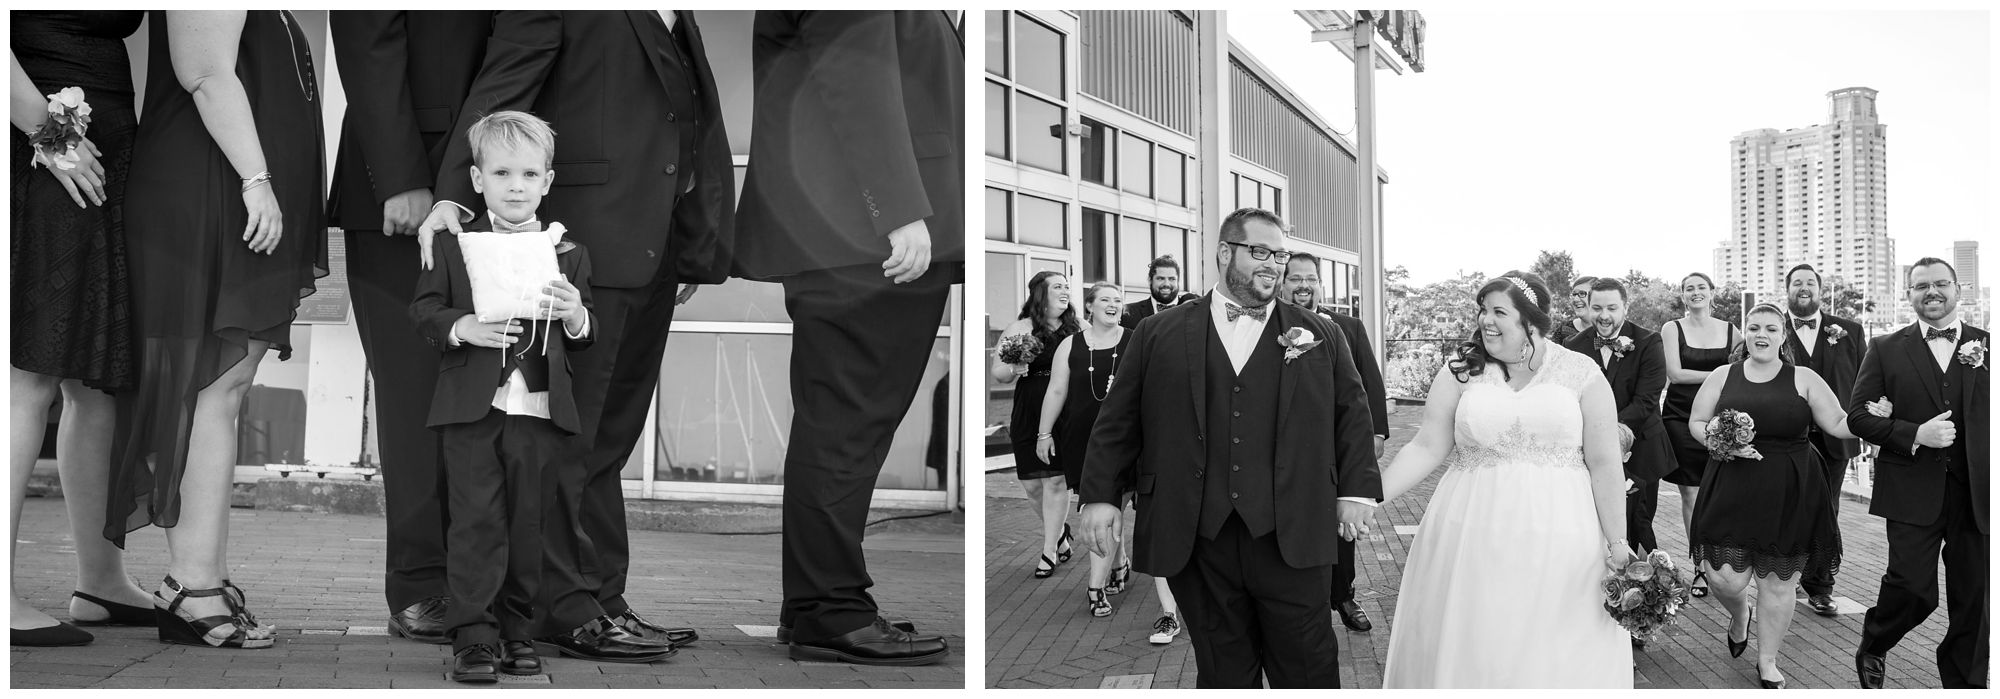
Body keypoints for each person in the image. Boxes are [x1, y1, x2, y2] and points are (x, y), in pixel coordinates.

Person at [419, 10, 731, 659]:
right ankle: (564, 607)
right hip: (583, 241)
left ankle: (601, 596)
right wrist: (455, 198)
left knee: (609, 439)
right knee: (570, 439)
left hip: (654, 250)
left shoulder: (679, 15)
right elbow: (500, 90)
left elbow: (686, 126)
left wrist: (692, 241)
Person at [736, 11, 960, 666]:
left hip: (850, 236)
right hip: (862, 237)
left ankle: (813, 603)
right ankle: (829, 608)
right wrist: (896, 209)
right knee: (846, 420)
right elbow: (852, 73)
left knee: (842, 420)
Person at [1080, 207, 1380, 688]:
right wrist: (1099, 495)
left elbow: (1353, 413)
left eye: (1279, 255)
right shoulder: (1158, 333)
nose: (1274, 264)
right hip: (1198, 536)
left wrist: (1357, 491)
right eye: (1260, 251)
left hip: (1294, 533)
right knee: (1222, 669)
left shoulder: (1321, 334)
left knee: (1307, 665)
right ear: (1224, 252)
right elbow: (1118, 419)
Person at [108, 9, 327, 649]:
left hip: (234, 185)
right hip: (213, 185)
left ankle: (204, 575)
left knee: (224, 387)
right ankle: (191, 583)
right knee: (212, 387)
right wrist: (257, 180)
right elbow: (205, 72)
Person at [410, 111, 602, 681]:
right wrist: (461, 326)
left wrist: (576, 315)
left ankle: (518, 631)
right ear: (477, 179)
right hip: (473, 409)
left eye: (527, 174)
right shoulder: (453, 246)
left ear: (546, 181)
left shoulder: (570, 252)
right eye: (501, 173)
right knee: (474, 524)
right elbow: (423, 311)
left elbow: (589, 336)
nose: (515, 185)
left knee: (528, 524)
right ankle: (473, 637)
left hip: (539, 411)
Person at [1379, 271, 1634, 688]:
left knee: (1553, 639)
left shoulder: (1580, 372)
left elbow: (1605, 464)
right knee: (1477, 636)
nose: (1485, 320)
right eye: (1483, 310)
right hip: (1471, 530)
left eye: (1499, 311)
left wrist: (1618, 543)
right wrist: (1372, 498)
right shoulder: (1461, 369)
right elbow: (1426, 446)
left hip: (1562, 533)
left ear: (1530, 321)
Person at [327, 9, 494, 645]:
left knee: (489, 403)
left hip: (503, 189)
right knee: (415, 398)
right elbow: (367, 40)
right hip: (407, 188)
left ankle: (484, 581)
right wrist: (401, 175)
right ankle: (421, 583)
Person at [9, 10, 154, 647]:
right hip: (40, 144)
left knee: (95, 380)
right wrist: (49, 134)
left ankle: (101, 580)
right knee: (26, 375)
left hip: (104, 150)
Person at [1687, 303, 1859, 689]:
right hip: (1730, 484)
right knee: (1725, 579)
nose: (1760, 334)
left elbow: (1837, 423)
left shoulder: (1804, 378)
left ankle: (1767, 660)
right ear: (1745, 334)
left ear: (1784, 337)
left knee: (1778, 582)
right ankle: (1739, 615)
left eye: (1770, 328)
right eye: (1753, 328)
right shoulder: (1722, 375)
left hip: (1790, 488)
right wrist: (1718, 441)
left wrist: (1876, 417)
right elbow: (1696, 422)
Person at [1849, 257, 1988, 689]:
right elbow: (1858, 417)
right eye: (1921, 285)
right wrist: (1915, 433)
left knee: (1975, 602)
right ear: (1908, 294)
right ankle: (1875, 642)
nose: (1932, 292)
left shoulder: (1990, 344)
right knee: (1912, 588)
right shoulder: (1886, 348)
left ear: (1957, 289)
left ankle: (1964, 684)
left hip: (1979, 494)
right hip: (1911, 489)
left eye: (1940, 284)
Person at [1281, 252, 1386, 632]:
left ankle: (1343, 595)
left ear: (1320, 284)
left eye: (1310, 278)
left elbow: (1368, 384)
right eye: (1294, 278)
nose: (1303, 285)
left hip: (1336, 444)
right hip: (1286, 449)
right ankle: (1301, 601)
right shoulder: (1264, 327)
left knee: (1343, 524)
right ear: (1282, 282)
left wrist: (1374, 434)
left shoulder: (1347, 326)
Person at [1035, 282, 1135, 620]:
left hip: (1128, 440)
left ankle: (1096, 586)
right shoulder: (1070, 345)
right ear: (1089, 306)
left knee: (1107, 507)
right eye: (1105, 299)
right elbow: (1056, 390)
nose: (1113, 305)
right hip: (1083, 442)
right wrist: (1044, 433)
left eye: (1118, 300)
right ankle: (1118, 562)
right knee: (1107, 506)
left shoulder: (1136, 340)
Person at [1561, 278, 1673, 565]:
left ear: (1625, 306)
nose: (1604, 315)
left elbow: (1646, 400)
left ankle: (1643, 589)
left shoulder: (1649, 341)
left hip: (1642, 450)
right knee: (1594, 521)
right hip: (1590, 453)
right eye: (1596, 307)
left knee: (1638, 523)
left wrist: (1607, 432)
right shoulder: (1573, 345)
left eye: (1612, 307)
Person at [1780, 263, 1865, 616]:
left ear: (1819, 288)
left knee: (1827, 509)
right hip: (1786, 436)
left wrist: (1870, 426)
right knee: (1786, 508)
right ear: (1787, 290)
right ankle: (1783, 577)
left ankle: (1820, 585)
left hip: (1835, 437)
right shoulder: (1771, 327)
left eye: (1810, 283)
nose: (1804, 288)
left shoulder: (1849, 330)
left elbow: (1865, 380)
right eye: (1797, 283)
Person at [1658, 272, 1740, 600]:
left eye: (1701, 288)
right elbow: (1675, 374)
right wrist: (1720, 375)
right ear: (1682, 295)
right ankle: (1700, 566)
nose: (1695, 293)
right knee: (1691, 494)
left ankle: (1726, 560)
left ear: (1711, 293)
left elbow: (1742, 371)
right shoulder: (1671, 329)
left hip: (1720, 420)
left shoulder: (1732, 330)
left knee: (1722, 494)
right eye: (1689, 288)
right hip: (1680, 418)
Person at [993, 271, 1078, 579]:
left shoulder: (1075, 329)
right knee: (1032, 487)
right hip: (1029, 407)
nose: (1065, 291)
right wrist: (1016, 365)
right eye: (1058, 286)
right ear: (1040, 293)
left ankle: (1049, 552)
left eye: (1067, 287)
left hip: (1065, 409)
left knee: (1056, 480)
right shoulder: (1021, 327)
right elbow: (999, 373)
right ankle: (1059, 535)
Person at [1122, 254, 1200, 329]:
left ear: (1178, 281)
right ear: (1150, 280)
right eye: (1160, 279)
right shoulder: (1128, 314)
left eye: (1172, 279)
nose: (1166, 284)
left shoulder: (1193, 311)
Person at [1550, 276, 1597, 346]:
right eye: (1574, 294)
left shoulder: (1609, 330)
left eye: (1582, 293)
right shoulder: (1563, 331)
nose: (1575, 299)